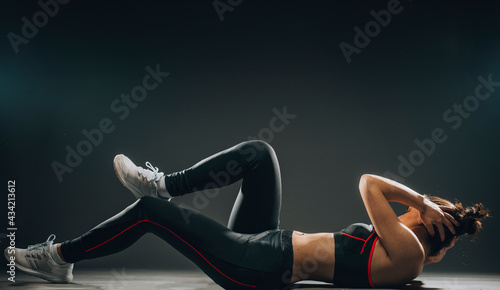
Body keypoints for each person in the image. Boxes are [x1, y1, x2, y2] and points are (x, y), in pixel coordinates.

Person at [5, 141, 489, 289]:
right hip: (269, 242)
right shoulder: (411, 255)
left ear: (429, 221)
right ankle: (166, 183)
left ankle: (59, 258)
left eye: (423, 205)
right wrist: (439, 213)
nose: (413, 204)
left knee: (150, 215)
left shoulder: (409, 252)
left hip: (256, 266)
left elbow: (368, 184)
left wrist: (425, 202)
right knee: (261, 155)